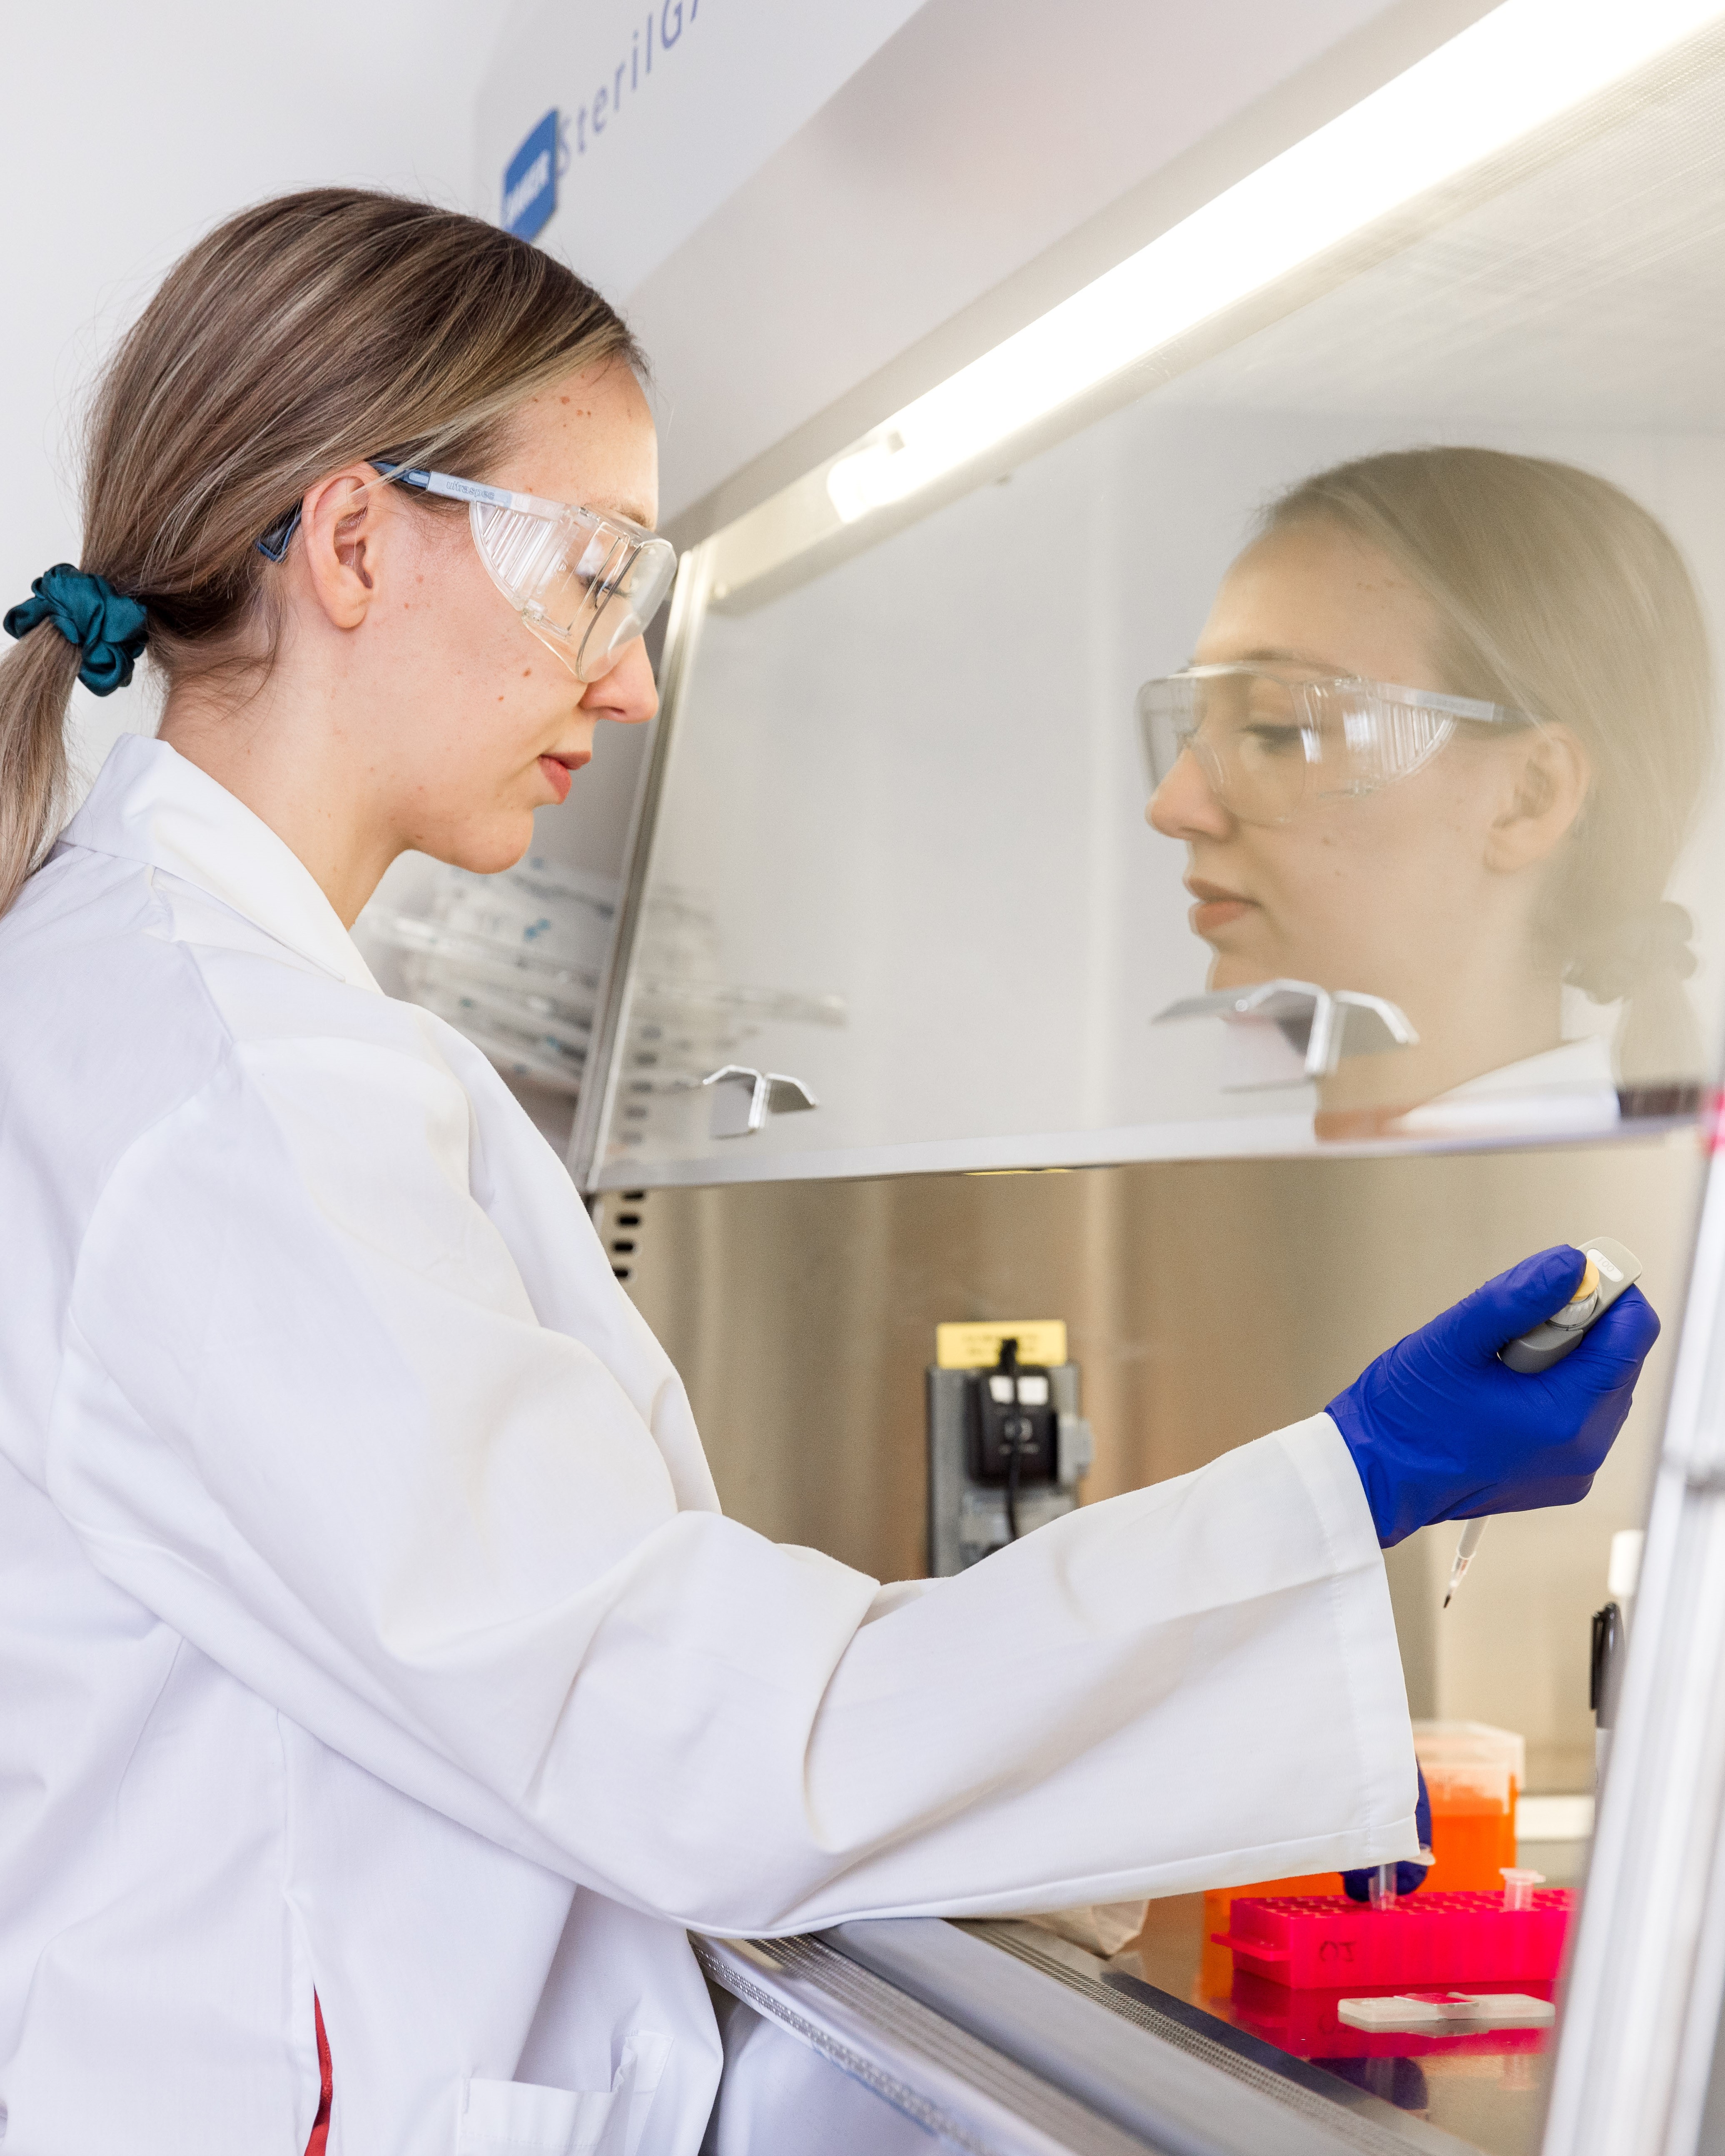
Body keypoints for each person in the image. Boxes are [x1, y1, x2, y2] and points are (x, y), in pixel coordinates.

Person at [0, 194, 1660, 2156]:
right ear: (354, 540)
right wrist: (1336, 1486)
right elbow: (692, 1732)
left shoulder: (188, 1007)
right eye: (593, 570)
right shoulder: (233, 1086)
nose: (620, 685)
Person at [1142, 446, 1713, 1134]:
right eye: (1192, 722)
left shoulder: (1630, 1231)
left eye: (1278, 728)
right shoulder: (1324, 1216)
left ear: (1528, 797)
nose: (1172, 807)